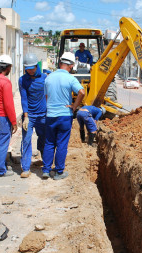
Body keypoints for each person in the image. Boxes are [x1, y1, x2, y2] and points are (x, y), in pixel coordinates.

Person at [42, 52, 85, 180]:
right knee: (61, 144)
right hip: (65, 115)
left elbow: (46, 96)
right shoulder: (71, 79)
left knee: (49, 142)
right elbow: (82, 92)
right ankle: (59, 172)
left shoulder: (48, 78)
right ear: (71, 66)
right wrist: (74, 106)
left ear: (60, 63)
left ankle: (46, 170)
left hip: (50, 115)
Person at [19, 53, 47, 178]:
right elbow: (24, 99)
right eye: (27, 68)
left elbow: (48, 95)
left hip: (43, 115)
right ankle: (25, 168)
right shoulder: (23, 80)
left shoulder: (45, 78)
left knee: (44, 138)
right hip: (29, 116)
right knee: (26, 140)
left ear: (37, 66)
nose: (29, 71)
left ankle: (44, 161)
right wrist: (26, 116)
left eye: (31, 68)